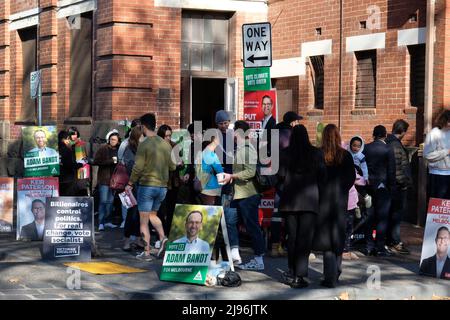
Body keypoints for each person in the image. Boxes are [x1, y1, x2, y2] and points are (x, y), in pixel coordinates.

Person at [277, 125, 327, 288]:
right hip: (310, 201)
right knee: (305, 239)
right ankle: (300, 273)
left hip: (290, 201)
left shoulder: (285, 153)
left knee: (292, 237)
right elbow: (322, 177)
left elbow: (281, 175)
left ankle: (292, 270)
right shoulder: (316, 153)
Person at [126, 113, 176, 262]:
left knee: (143, 221)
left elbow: (138, 167)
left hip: (147, 186)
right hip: (162, 187)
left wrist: (130, 183)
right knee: (153, 215)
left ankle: (146, 252)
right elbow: (173, 166)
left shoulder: (144, 144)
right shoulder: (165, 144)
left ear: (143, 126)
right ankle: (163, 238)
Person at [313, 124, 355, 288]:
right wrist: (341, 189)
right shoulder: (345, 155)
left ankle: (329, 275)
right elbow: (351, 177)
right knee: (338, 235)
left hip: (323, 200)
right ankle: (335, 270)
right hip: (339, 200)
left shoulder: (318, 154)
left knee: (326, 239)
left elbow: (314, 177)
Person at [220, 120, 266, 271]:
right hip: (239, 195)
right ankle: (235, 255)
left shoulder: (248, 149)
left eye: (233, 130)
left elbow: (250, 172)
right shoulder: (239, 148)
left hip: (249, 195)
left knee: (252, 226)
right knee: (230, 221)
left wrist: (231, 176)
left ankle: (259, 259)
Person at [363, 125, 396, 256]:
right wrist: (392, 187)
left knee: (369, 217)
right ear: (385, 135)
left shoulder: (366, 148)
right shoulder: (388, 149)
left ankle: (368, 246)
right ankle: (380, 247)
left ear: (373, 134)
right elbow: (391, 170)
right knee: (382, 218)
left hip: (369, 185)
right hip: (383, 186)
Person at [385, 119, 413, 254]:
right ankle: (395, 242)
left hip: (394, 186)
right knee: (396, 216)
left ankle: (391, 241)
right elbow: (397, 168)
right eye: (405, 132)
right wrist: (404, 183)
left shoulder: (390, 142)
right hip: (397, 187)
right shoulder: (395, 145)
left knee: (392, 215)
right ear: (402, 131)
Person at [122, 125, 145, 251]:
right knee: (132, 214)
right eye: (142, 136)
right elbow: (131, 167)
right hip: (132, 186)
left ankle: (137, 239)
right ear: (137, 137)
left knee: (141, 214)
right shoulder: (129, 150)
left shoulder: (144, 148)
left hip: (143, 185)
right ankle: (126, 240)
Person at [93, 129, 121, 231]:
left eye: (115, 140)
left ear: (118, 141)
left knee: (110, 202)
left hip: (115, 180)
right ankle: (101, 222)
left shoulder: (119, 150)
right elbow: (96, 161)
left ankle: (108, 221)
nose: (113, 141)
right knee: (103, 201)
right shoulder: (103, 148)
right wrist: (110, 161)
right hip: (104, 180)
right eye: (111, 139)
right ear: (109, 139)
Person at [423, 109, 450, 200]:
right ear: (444, 121)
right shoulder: (434, 133)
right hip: (438, 174)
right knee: (437, 205)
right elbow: (427, 155)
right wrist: (446, 152)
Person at [58, 130, 83, 196]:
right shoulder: (66, 150)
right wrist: (79, 165)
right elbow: (69, 165)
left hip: (58, 178)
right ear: (63, 139)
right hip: (67, 179)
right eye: (68, 139)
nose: (69, 141)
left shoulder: (55, 149)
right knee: (68, 199)